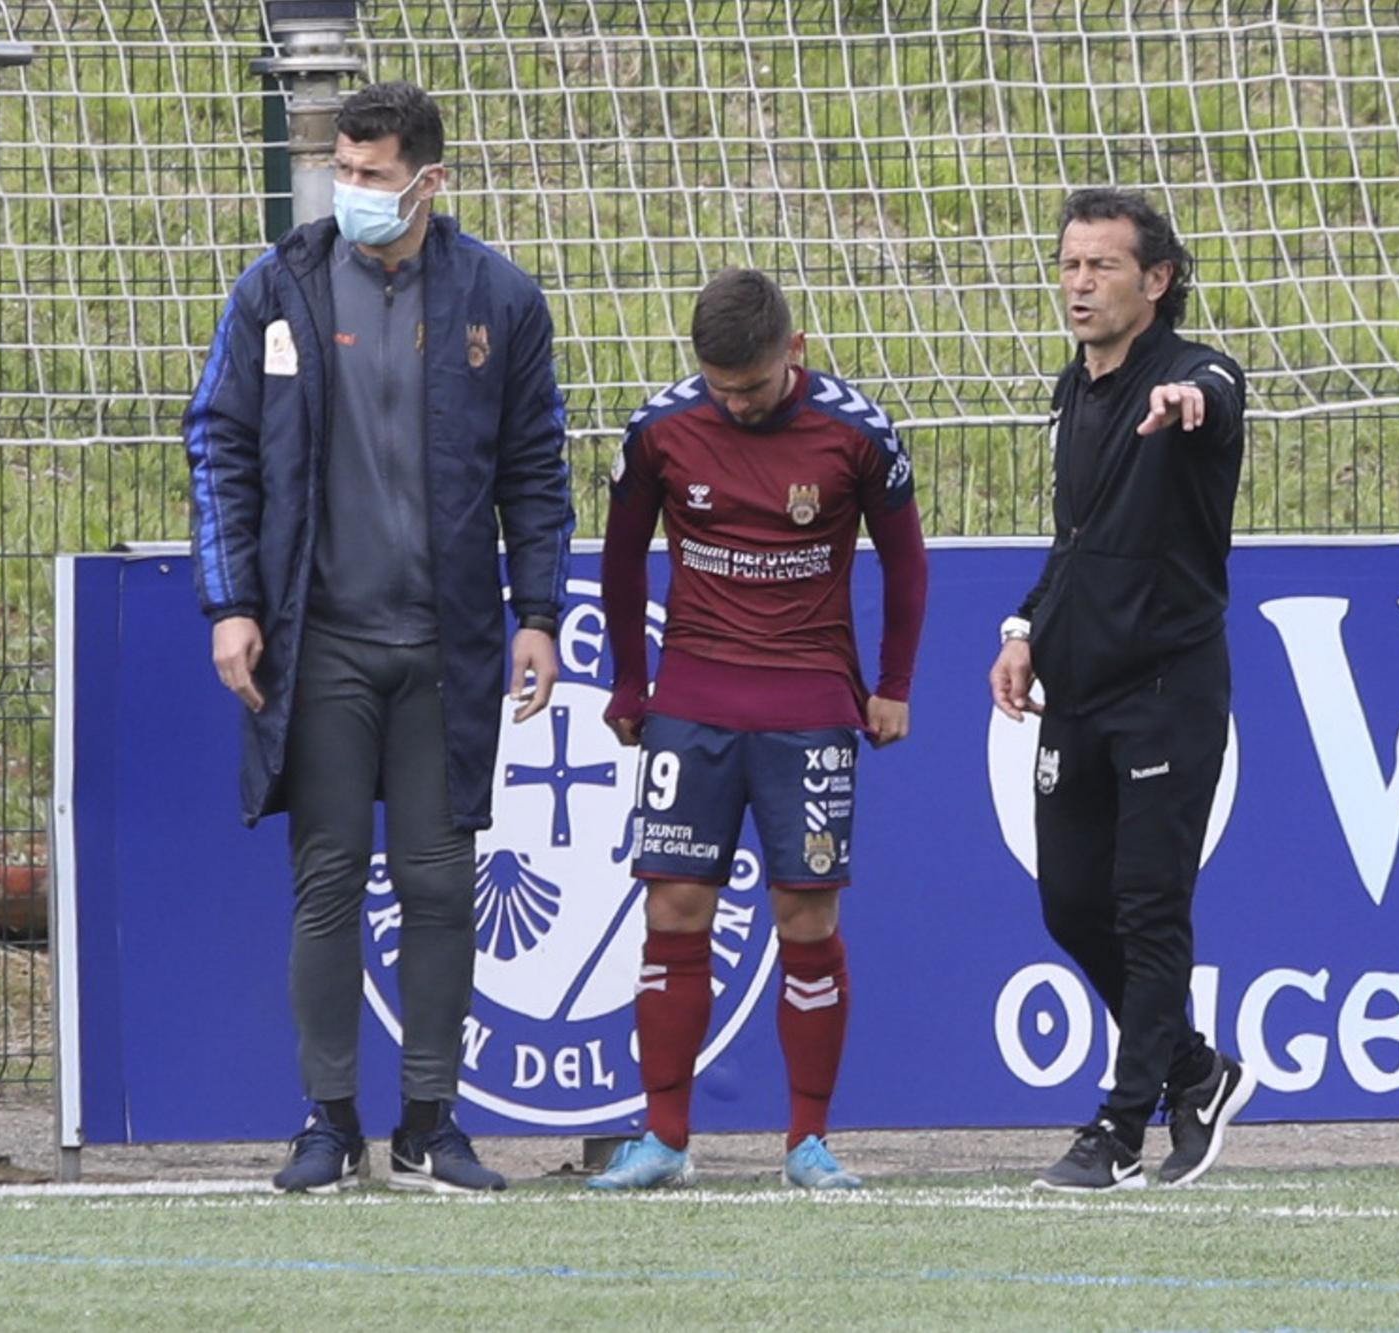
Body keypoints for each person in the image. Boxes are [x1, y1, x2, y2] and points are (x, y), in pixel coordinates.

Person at [183, 82, 573, 1194]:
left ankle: (432, 1125)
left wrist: (536, 612)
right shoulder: (278, 288)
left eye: (369, 173)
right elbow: (219, 447)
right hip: (324, 643)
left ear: (427, 180)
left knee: (443, 880)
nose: (348, 190)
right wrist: (233, 603)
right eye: (339, 171)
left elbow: (534, 471)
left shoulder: (500, 297)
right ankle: (328, 1120)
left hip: (446, 646)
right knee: (327, 877)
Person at [593, 268, 928, 1191]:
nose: (733, 405)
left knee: (806, 917)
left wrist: (893, 683)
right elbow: (622, 561)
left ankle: (807, 1142)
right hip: (693, 704)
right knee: (673, 910)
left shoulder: (859, 433)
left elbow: (906, 564)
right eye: (718, 387)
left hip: (810, 705)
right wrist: (631, 680)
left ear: (796, 351)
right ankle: (664, 1137)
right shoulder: (661, 429)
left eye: (751, 386)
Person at [988, 187, 1255, 1192]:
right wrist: (1022, 628)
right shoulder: (1077, 387)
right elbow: (1076, 542)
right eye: (1069, 264)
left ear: (1156, 280)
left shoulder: (1188, 376)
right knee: (1068, 905)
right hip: (1080, 689)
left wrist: (1192, 405)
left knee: (1149, 909)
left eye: (1101, 265)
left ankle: (1118, 1125)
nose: (1079, 283)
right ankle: (1194, 1067)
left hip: (1165, 689)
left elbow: (1217, 390)